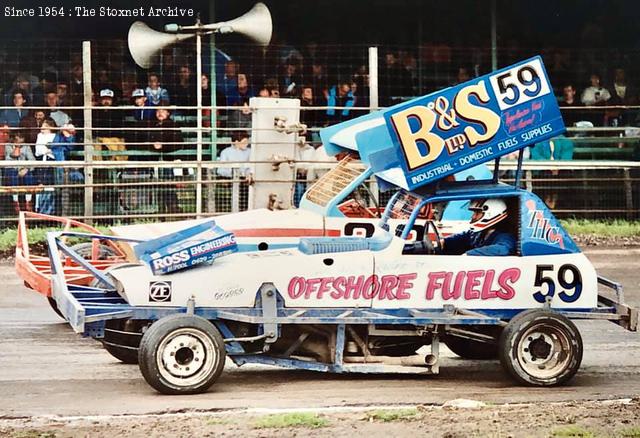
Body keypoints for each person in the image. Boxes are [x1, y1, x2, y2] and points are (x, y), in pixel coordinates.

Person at [416, 199, 516, 256]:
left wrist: (469, 255)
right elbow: (464, 236)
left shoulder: (504, 236)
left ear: (490, 214)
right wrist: (444, 242)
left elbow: (503, 249)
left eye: (477, 213)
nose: (473, 217)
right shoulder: (480, 233)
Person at [216, 130, 253, 212]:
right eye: (244, 142)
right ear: (236, 142)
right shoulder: (226, 152)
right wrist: (233, 173)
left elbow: (250, 166)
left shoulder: (250, 152)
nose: (246, 144)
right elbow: (221, 170)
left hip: (245, 178)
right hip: (230, 178)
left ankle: (245, 209)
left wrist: (247, 174)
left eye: (247, 142)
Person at [4, 130, 37, 213]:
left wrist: (26, 168)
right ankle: (16, 201)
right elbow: (9, 158)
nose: (20, 144)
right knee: (13, 175)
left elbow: (32, 160)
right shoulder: (8, 146)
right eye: (17, 142)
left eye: (21, 142)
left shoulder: (26, 147)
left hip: (23, 169)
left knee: (29, 176)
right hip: (11, 168)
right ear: (13, 140)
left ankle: (28, 201)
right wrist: (15, 151)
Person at [93, 88, 126, 161]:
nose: (106, 101)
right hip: (100, 139)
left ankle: (117, 168)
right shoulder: (95, 112)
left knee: (119, 145)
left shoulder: (118, 112)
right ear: (101, 100)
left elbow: (119, 130)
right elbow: (95, 130)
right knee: (96, 145)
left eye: (108, 99)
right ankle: (99, 168)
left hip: (114, 139)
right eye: (104, 99)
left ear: (112, 100)